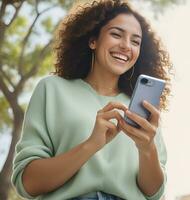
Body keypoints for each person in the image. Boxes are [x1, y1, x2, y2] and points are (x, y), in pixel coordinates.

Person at [11, 0, 172, 199]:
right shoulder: (52, 89)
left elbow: (154, 193)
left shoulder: (144, 108)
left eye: (135, 41)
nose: (125, 46)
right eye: (116, 34)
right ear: (93, 40)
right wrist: (91, 144)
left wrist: (147, 149)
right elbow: (28, 183)